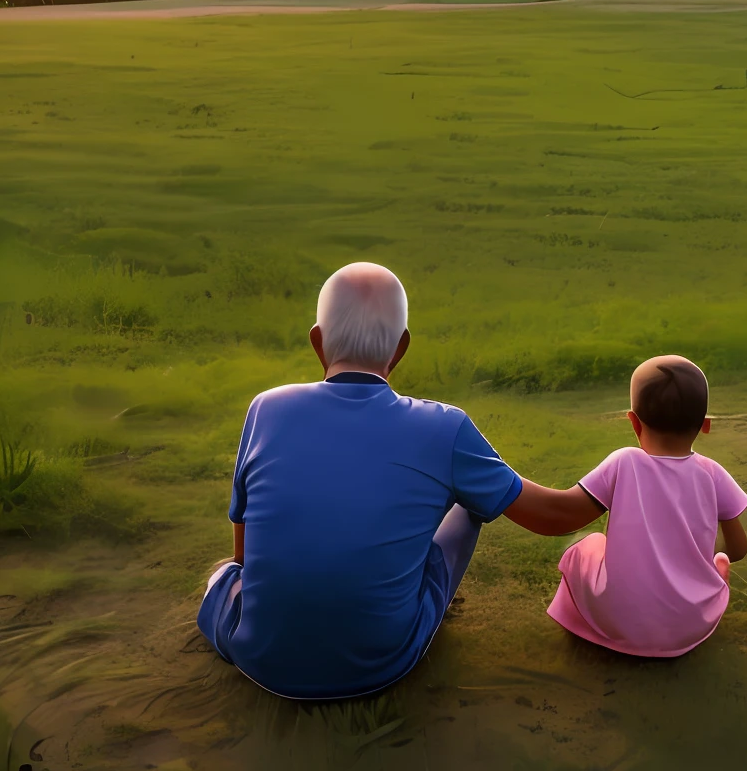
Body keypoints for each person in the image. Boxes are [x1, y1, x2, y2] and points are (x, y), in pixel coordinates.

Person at [197, 263, 598, 700]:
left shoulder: (266, 409)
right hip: (382, 662)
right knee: (472, 502)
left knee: (223, 574)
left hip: (261, 659)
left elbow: (244, 549)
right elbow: (555, 517)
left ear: (317, 341)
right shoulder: (445, 427)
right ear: (401, 347)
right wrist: (618, 476)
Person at [544, 355, 747, 657]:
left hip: (620, 622)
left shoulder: (624, 462)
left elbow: (571, 507)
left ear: (633, 422)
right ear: (705, 426)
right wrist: (706, 556)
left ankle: (580, 621)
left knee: (585, 548)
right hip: (691, 626)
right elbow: (738, 549)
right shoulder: (712, 473)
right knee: (719, 561)